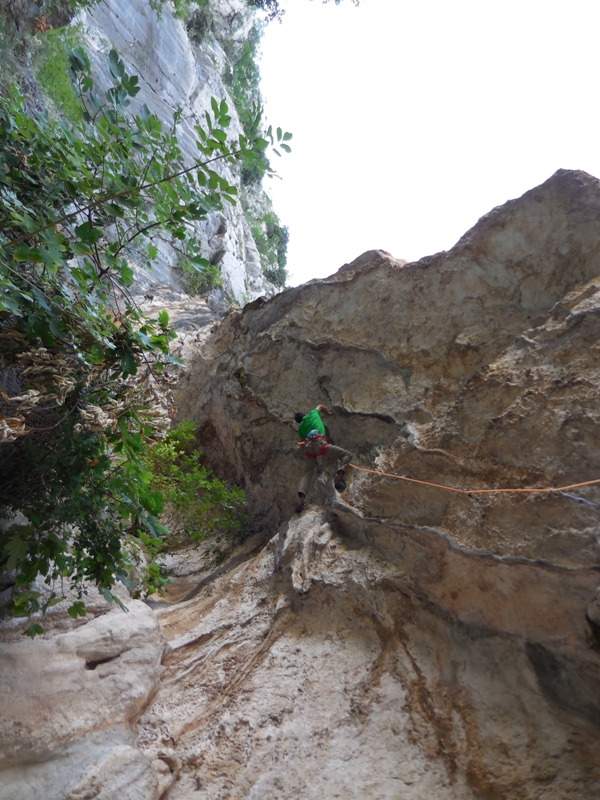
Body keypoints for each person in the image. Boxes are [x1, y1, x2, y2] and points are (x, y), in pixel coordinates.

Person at [294, 405, 353, 513]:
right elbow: (320, 406)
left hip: (310, 449)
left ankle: (302, 501)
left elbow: (301, 444)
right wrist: (328, 413)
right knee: (347, 455)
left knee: (307, 473)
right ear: (305, 415)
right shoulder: (312, 414)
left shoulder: (301, 428)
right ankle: (338, 479)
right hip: (320, 445)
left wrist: (305, 453)